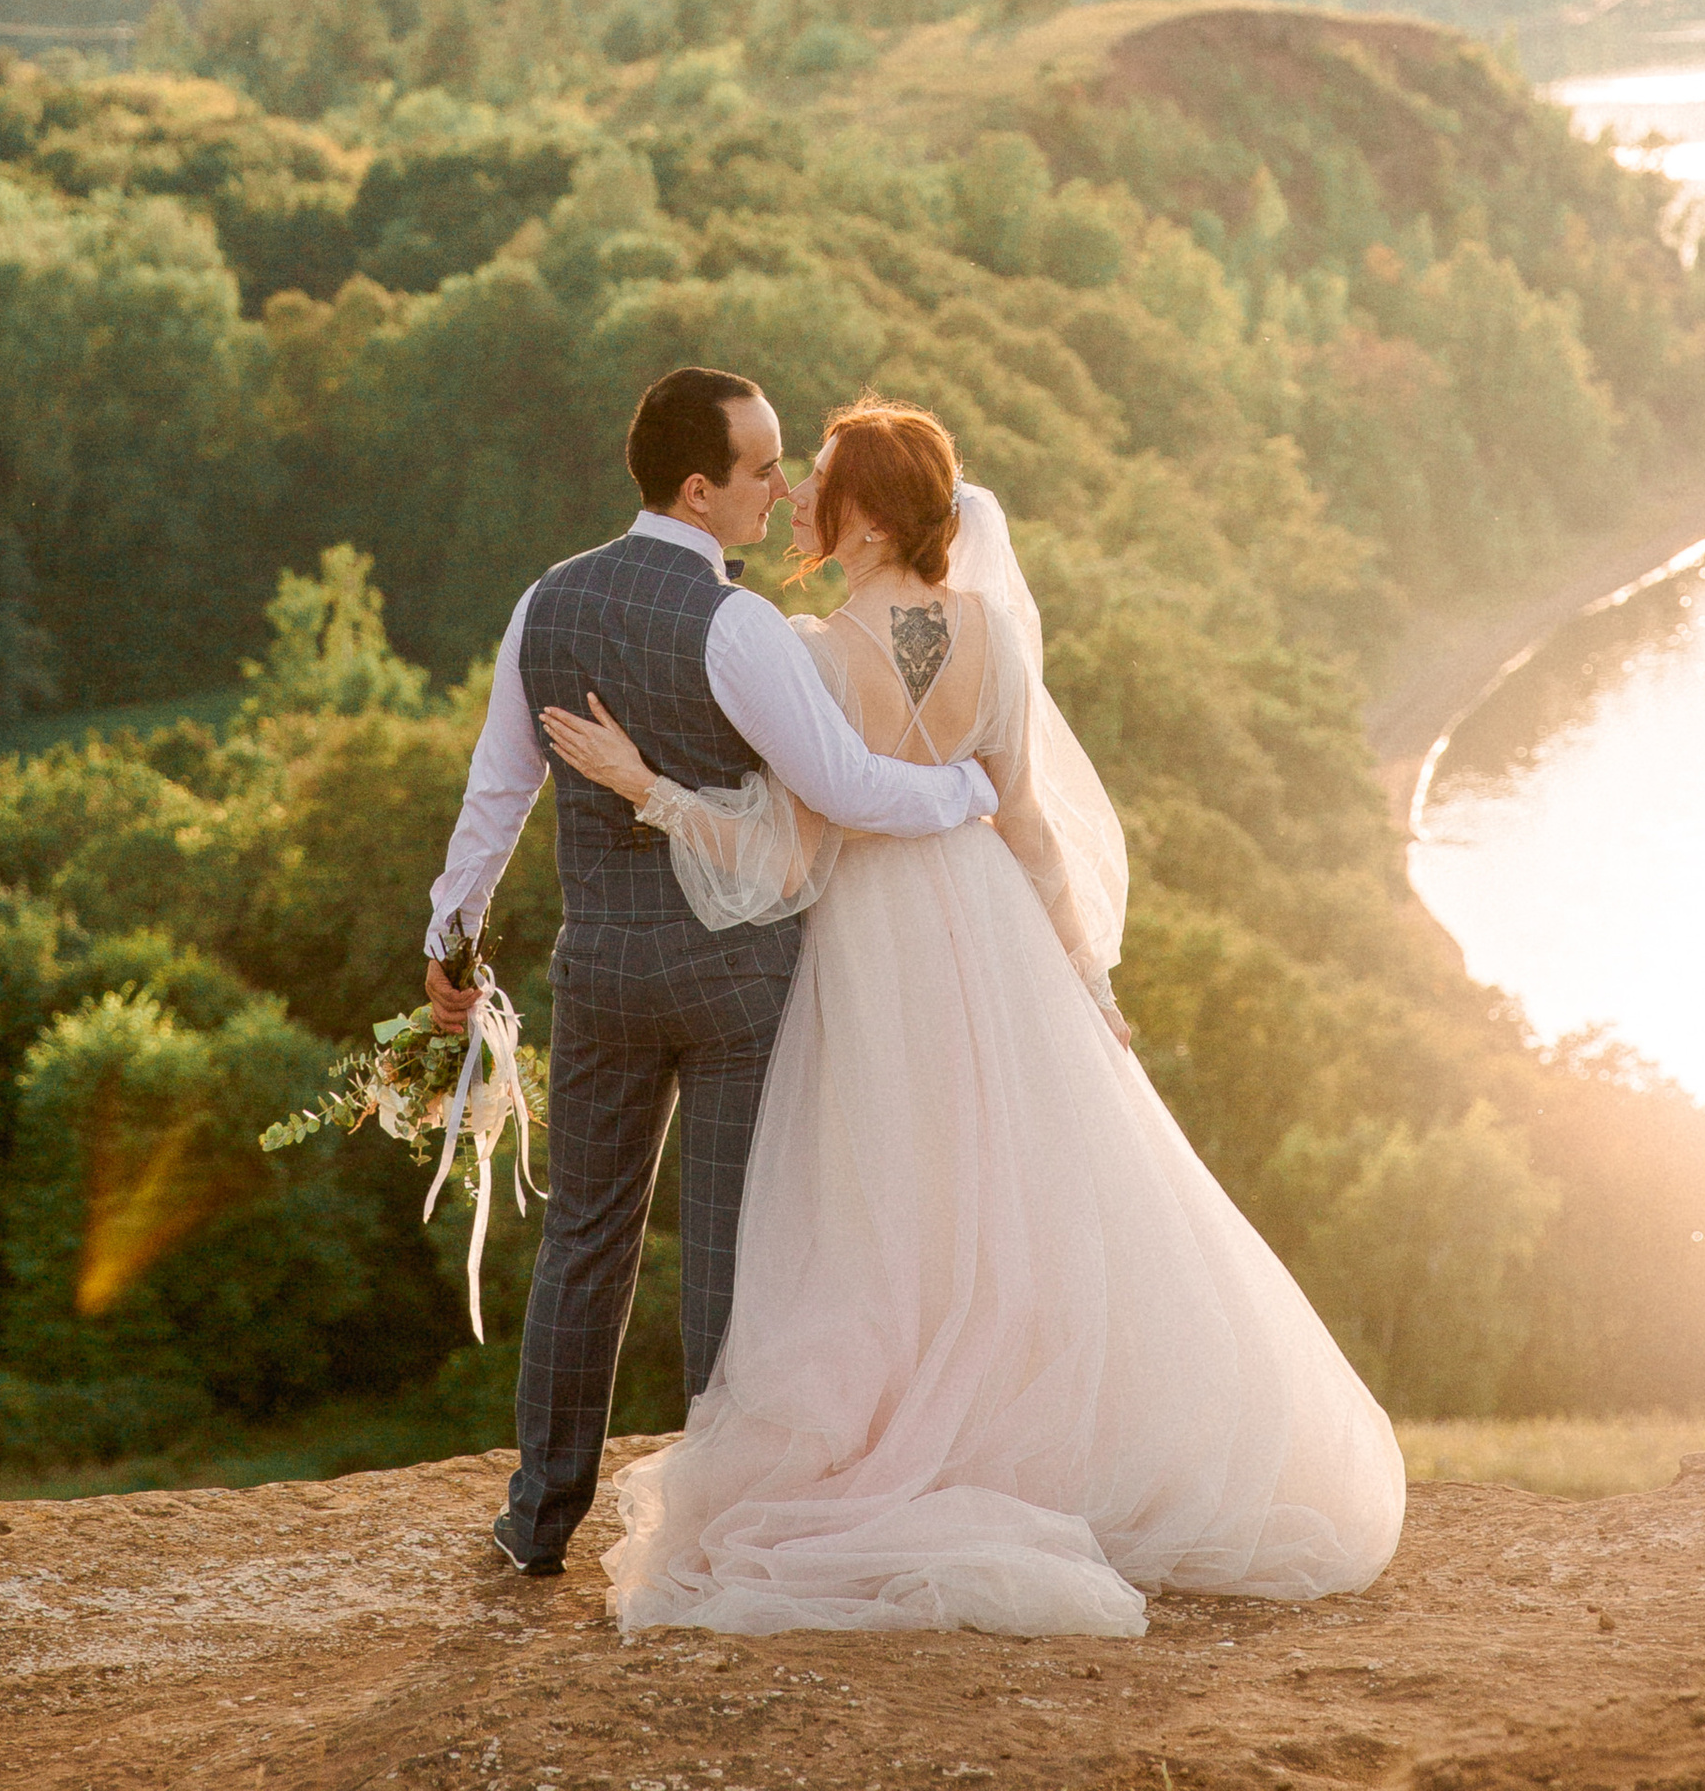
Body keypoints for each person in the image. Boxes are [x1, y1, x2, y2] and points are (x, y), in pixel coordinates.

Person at [538, 394, 1408, 1637]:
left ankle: (911, 1446)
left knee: (883, 1206)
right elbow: (1031, 827)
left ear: (865, 518)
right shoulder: (991, 633)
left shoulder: (812, 651)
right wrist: (1086, 982)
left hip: (869, 953)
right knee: (1004, 1196)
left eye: (819, 481)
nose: (796, 498)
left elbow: (785, 858)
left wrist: (649, 790)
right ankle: (1011, 1440)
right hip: (991, 936)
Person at [421, 365, 998, 1578]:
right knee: (732, 1252)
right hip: (736, 980)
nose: (780, 490)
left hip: (604, 973)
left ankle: (538, 1517)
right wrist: (964, 789)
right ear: (698, 489)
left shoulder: (545, 601)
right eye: (761, 469)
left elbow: (497, 790)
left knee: (584, 1239)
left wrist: (451, 943)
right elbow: (844, 788)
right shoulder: (739, 627)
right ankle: (715, 1531)